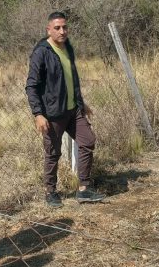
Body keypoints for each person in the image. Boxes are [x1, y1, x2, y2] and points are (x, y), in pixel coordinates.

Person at [25, 11, 105, 208]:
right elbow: (31, 86)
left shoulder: (67, 47)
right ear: (49, 30)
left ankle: (84, 189)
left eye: (65, 27)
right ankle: (50, 192)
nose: (62, 31)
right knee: (53, 152)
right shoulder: (42, 52)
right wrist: (38, 114)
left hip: (73, 110)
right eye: (57, 28)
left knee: (88, 141)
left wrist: (81, 102)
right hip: (52, 113)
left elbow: (71, 79)